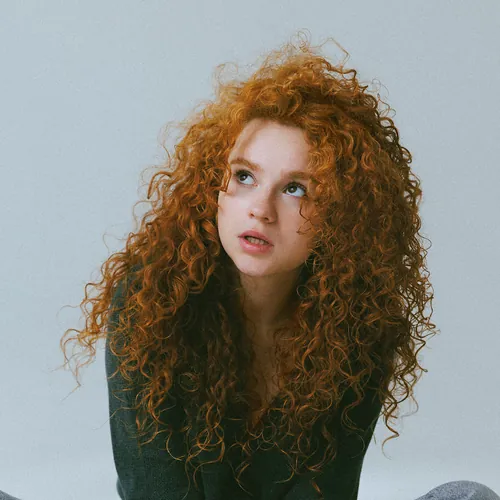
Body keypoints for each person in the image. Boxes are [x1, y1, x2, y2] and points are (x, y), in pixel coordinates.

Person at [1, 32, 490, 500]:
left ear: (342, 218)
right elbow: (152, 489)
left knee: (470, 496)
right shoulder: (153, 300)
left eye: (296, 189)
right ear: (214, 188)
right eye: (244, 177)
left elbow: (328, 492)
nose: (260, 208)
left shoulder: (358, 331)